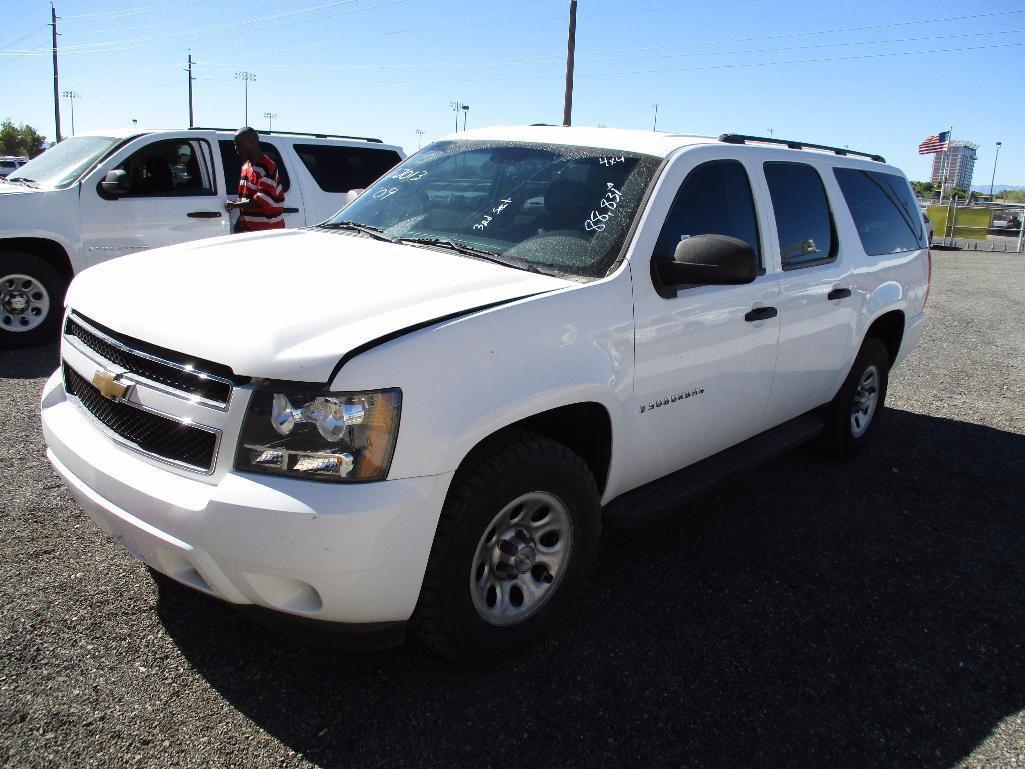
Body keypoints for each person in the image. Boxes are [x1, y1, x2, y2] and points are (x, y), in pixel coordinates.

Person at [225, 126, 285, 232]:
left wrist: (234, 205)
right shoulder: (245, 167)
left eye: (239, 144)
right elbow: (246, 200)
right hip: (251, 232)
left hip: (268, 233)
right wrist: (240, 223)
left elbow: (260, 202)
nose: (236, 148)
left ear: (252, 142)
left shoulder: (267, 167)